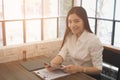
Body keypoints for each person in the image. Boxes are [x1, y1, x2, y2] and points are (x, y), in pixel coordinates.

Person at [44, 6, 103, 80]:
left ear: (84, 21)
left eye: (76, 21)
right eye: (70, 22)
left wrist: (79, 69)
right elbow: (63, 52)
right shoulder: (70, 36)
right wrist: (55, 63)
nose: (72, 25)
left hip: (90, 77)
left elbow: (98, 69)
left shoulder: (93, 41)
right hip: (76, 75)